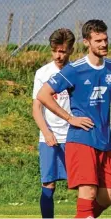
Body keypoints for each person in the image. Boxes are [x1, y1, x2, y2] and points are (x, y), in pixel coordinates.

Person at [37, 19, 110, 218]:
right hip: (82, 139)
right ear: (87, 42)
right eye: (98, 41)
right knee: (89, 191)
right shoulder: (75, 69)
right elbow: (43, 95)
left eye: (105, 39)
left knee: (107, 197)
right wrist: (70, 118)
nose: (104, 44)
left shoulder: (110, 67)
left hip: (104, 141)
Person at [32, 28, 75, 218]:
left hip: (74, 136)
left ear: (71, 50)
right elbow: (36, 108)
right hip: (50, 137)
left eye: (63, 51)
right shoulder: (43, 73)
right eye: (55, 51)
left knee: (84, 184)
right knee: (48, 184)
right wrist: (46, 132)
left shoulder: (76, 72)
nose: (58, 55)